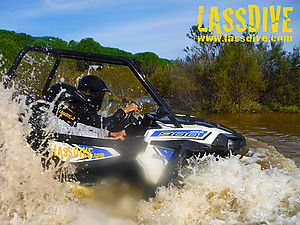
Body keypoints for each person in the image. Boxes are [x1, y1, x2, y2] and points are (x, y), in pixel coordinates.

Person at [44, 75, 138, 140]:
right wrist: (106, 138)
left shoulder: (63, 117)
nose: (73, 106)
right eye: (70, 103)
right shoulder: (48, 118)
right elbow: (70, 133)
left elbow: (80, 127)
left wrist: (110, 134)